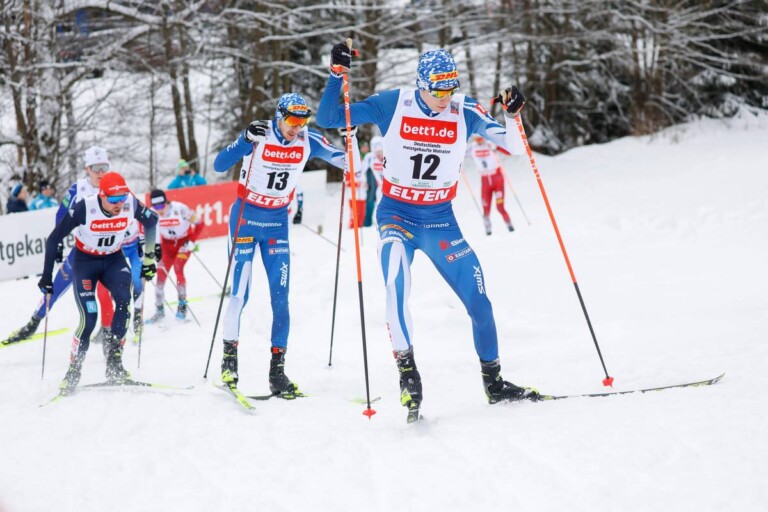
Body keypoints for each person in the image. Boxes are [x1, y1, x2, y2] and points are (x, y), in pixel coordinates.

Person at [317, 43, 539, 415]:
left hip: (440, 220)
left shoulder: (464, 109)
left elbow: (515, 148)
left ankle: (494, 383)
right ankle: (408, 375)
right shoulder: (394, 103)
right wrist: (336, 75)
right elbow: (329, 117)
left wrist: (514, 116)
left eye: (450, 88)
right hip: (397, 215)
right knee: (395, 284)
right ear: (421, 85)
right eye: (437, 90)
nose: (444, 97)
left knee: (479, 301)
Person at [212, 92, 358, 397]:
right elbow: (218, 164)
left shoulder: (308, 140)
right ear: (279, 116)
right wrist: (244, 141)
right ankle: (229, 363)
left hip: (277, 222)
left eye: (302, 121)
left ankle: (277, 372)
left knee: (281, 298)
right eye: (292, 120)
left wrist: (351, 136)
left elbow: (350, 164)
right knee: (240, 292)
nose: (296, 127)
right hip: (246, 217)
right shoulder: (259, 133)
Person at [37, 172, 158, 394]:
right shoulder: (85, 207)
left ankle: (115, 364)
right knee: (90, 318)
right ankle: (73, 371)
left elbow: (152, 221)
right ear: (101, 195)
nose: (118, 204)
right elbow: (54, 238)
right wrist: (46, 277)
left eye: (121, 198)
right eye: (113, 200)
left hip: (113, 259)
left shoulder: (129, 202)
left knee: (124, 303)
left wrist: (149, 259)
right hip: (86, 262)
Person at [3, 146, 116, 344]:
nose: (101, 173)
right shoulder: (77, 189)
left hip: (107, 250)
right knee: (56, 287)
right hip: (82, 251)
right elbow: (60, 215)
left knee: (104, 291)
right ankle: (33, 323)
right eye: (96, 168)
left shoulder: (114, 186)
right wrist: (58, 245)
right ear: (87, 168)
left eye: (104, 167)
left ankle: (107, 330)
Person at [145, 189, 203, 322]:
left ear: (166, 202)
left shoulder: (181, 209)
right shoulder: (152, 213)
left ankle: (182, 306)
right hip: (167, 246)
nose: (159, 210)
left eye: (161, 205)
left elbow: (200, 223)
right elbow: (149, 231)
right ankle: (159, 310)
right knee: (160, 276)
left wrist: (191, 241)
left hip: (183, 243)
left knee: (178, 268)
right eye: (156, 206)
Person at [468, 134, 514, 234]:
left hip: (497, 179)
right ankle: (488, 230)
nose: (480, 141)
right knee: (486, 207)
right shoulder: (472, 147)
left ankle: (509, 225)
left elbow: (510, 153)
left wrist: (497, 146)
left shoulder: (490, 144)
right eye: (477, 139)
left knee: (500, 206)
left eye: (481, 138)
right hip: (485, 181)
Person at [361, 135, 385, 226]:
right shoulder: (370, 157)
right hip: (378, 185)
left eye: (380, 152)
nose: (378, 155)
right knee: (375, 201)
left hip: (387, 185)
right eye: (376, 152)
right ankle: (374, 222)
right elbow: (361, 171)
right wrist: (363, 180)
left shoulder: (388, 156)